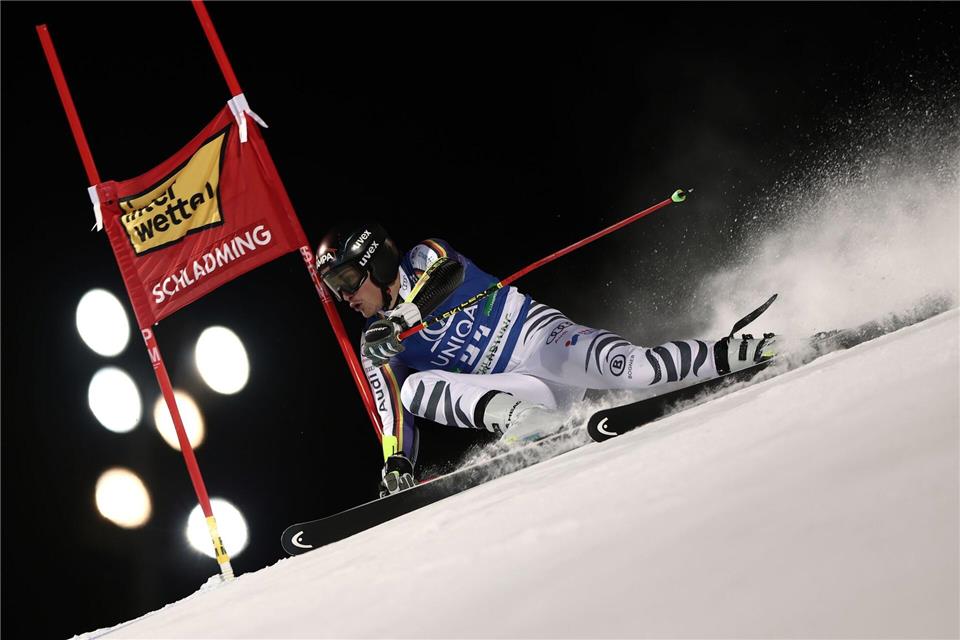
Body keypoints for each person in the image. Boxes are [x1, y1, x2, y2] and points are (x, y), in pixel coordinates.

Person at [315, 223, 776, 497]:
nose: (347, 296)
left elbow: (449, 274)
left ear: (376, 263)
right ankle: (528, 424)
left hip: (545, 343)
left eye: (350, 280)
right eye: (337, 291)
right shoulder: (377, 342)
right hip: (523, 392)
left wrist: (408, 315)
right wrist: (396, 464)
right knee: (414, 389)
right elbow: (393, 408)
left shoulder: (423, 256)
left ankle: (737, 351)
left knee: (638, 371)